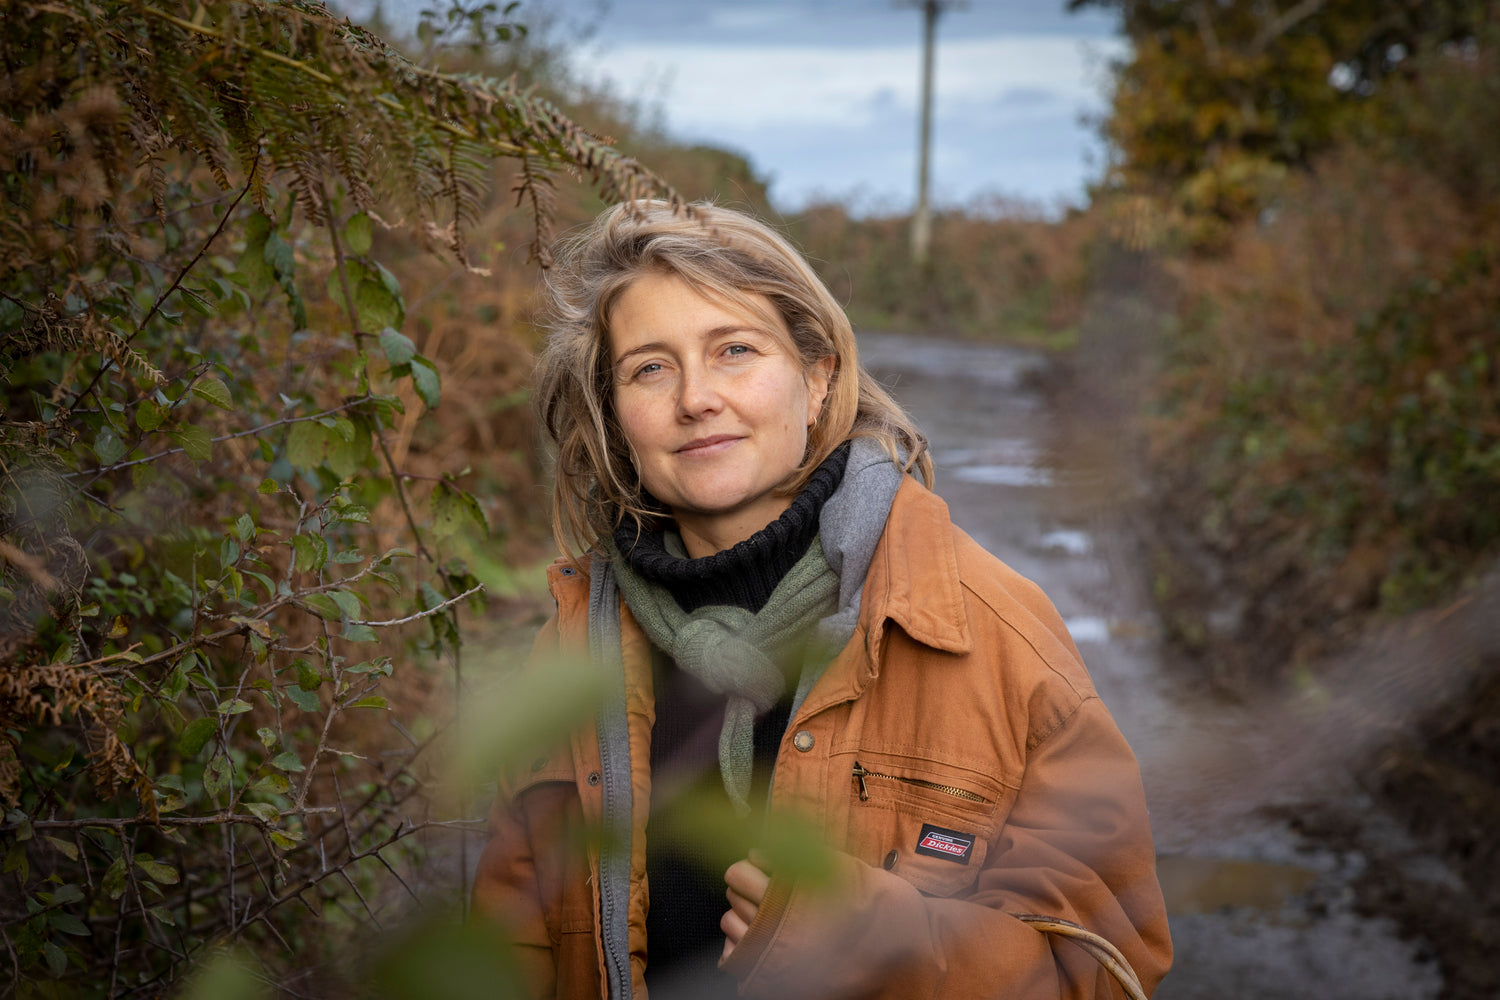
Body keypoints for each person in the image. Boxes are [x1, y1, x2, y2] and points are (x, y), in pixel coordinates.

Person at [472, 200, 1172, 999]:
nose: (696, 397)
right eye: (650, 367)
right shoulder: (575, 652)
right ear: (616, 415)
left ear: (817, 375)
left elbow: (1110, 971)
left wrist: (875, 941)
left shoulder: (992, 631)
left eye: (734, 350)